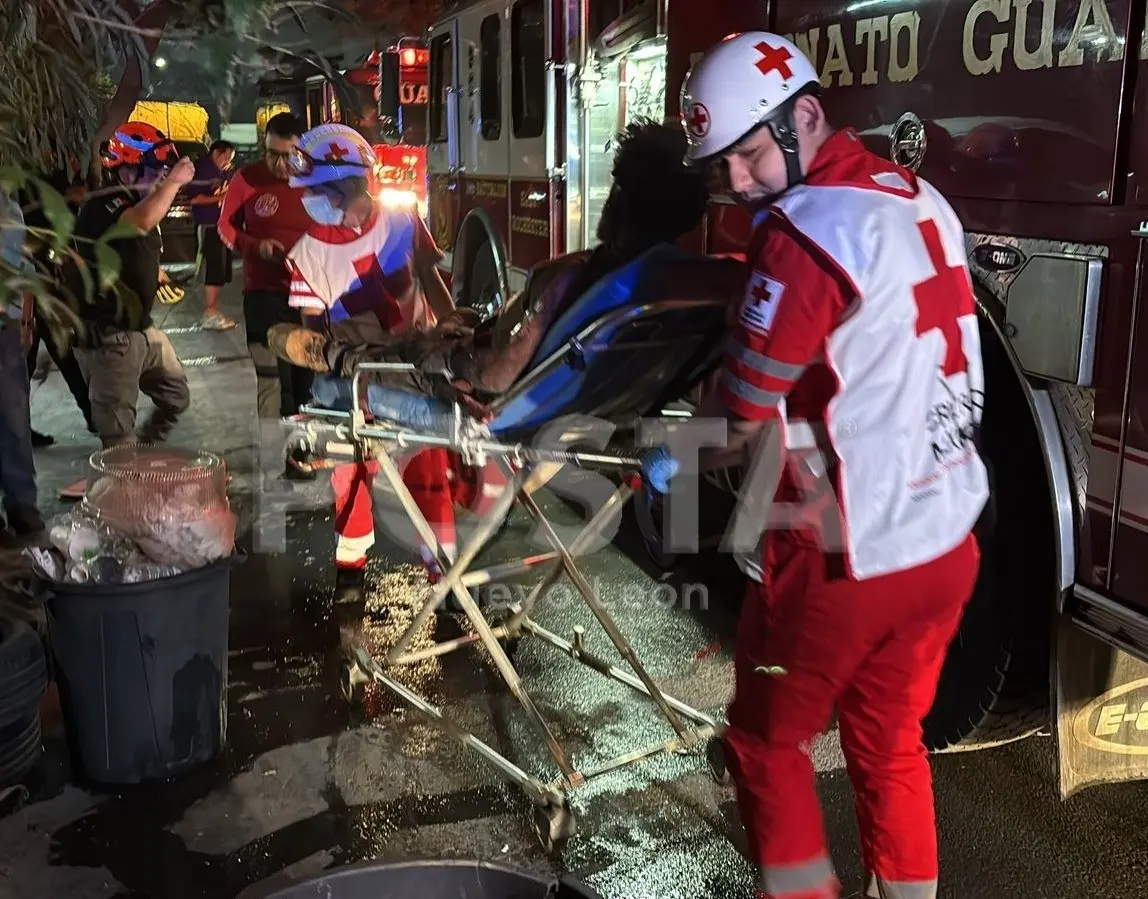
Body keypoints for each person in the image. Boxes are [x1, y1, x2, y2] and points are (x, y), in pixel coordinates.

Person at [640, 33, 989, 899]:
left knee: (766, 744)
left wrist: (659, 455)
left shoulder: (805, 235)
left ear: (805, 115)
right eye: (723, 168)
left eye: (752, 155)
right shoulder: (918, 196)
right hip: (945, 541)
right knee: (890, 740)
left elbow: (735, 420)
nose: (742, 184)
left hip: (845, 554)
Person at [266, 120, 727, 415]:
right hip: (605, 399)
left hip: (454, 376)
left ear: (618, 199)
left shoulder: (566, 276)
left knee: (322, 367)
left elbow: (496, 376)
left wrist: (447, 357)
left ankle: (328, 361)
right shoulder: (700, 280)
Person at [279, 121, 457, 588]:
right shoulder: (307, 254)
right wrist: (330, 373)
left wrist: (452, 324)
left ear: (343, 185)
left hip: (416, 364)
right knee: (352, 469)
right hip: (357, 377)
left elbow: (431, 280)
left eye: (313, 191)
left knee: (426, 469)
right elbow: (312, 335)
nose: (307, 201)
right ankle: (351, 557)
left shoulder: (402, 221)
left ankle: (442, 564)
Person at [70, 122, 194, 451]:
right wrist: (174, 183)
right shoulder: (104, 205)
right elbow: (139, 224)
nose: (158, 178)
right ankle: (121, 488)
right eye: (153, 171)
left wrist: (157, 277)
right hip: (109, 334)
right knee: (117, 435)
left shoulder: (136, 201)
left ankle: (142, 454)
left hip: (140, 328)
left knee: (176, 396)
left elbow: (134, 248)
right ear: (125, 169)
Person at [218, 112, 313, 449]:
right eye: (272, 153)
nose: (279, 163)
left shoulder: (318, 180)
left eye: (288, 155)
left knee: (306, 381)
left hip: (311, 301)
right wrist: (254, 246)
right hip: (263, 295)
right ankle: (274, 458)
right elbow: (225, 227)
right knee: (273, 380)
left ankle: (301, 449)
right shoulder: (247, 178)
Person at [0, 187, 43, 541]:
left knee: (14, 419)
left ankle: (23, 506)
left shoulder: (8, 203)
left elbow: (24, 265)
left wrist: (26, 320)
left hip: (7, 329)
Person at [187, 138, 238, 330]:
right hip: (208, 226)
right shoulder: (202, 169)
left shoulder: (222, 171)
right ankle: (209, 313)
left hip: (220, 226)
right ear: (216, 153)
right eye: (226, 158)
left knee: (220, 271)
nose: (227, 162)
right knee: (213, 270)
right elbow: (195, 199)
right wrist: (223, 197)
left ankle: (213, 310)